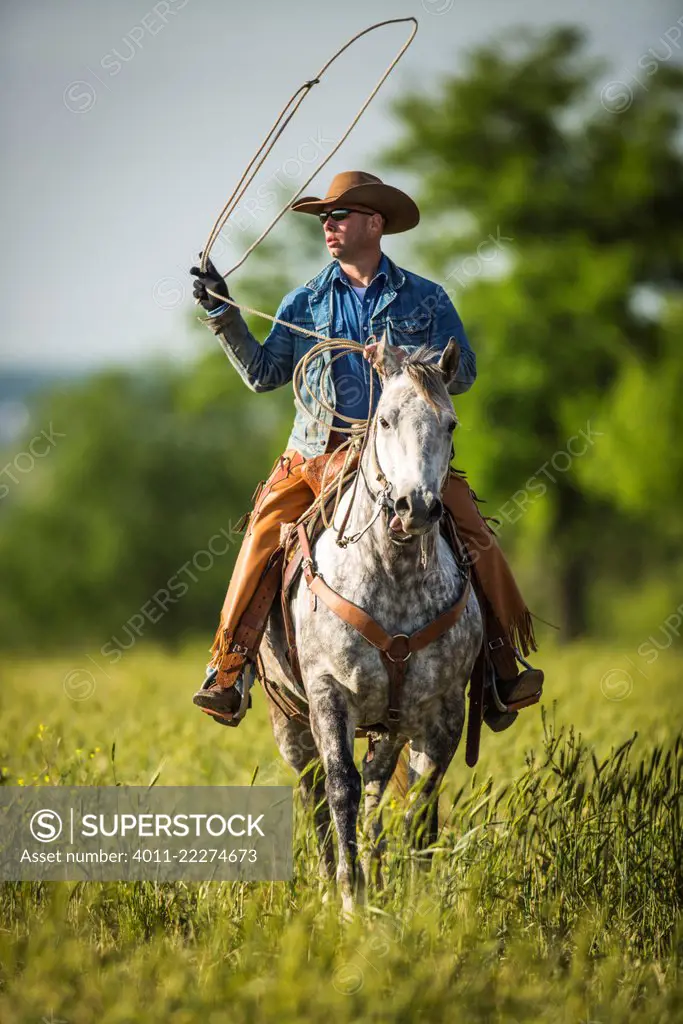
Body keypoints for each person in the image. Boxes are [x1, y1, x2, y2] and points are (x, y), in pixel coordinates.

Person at [190, 170, 543, 730]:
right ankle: (228, 669)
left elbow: (465, 371)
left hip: (404, 453)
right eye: (326, 219)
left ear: (375, 224)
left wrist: (403, 359)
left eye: (341, 216)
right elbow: (263, 374)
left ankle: (502, 667)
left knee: (473, 529)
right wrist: (222, 314)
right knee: (262, 534)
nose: (329, 226)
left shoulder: (428, 297)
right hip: (316, 453)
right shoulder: (303, 301)